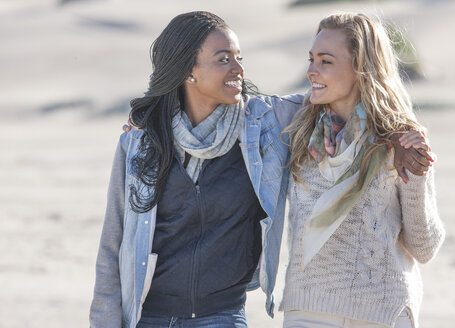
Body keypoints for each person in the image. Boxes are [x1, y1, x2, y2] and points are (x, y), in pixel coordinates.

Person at [93, 10, 431, 328]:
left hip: (221, 316)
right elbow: (112, 246)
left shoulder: (263, 126)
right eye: (224, 59)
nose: (238, 69)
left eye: (239, 58)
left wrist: (398, 134)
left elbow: (342, 99)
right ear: (187, 71)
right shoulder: (140, 143)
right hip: (146, 316)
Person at [274, 13, 445, 328]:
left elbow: (424, 247)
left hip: (381, 312)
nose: (311, 71)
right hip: (307, 310)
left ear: (361, 66)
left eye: (325, 61)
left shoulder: (401, 139)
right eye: (311, 59)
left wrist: (417, 177)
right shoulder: (296, 123)